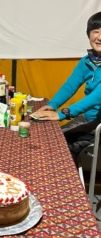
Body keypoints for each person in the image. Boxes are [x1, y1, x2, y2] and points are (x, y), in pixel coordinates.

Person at [32, 11, 101, 165]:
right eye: (95, 31)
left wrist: (64, 113)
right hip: (88, 119)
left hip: (99, 126)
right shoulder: (87, 61)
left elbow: (97, 96)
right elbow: (70, 86)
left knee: (58, 148)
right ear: (89, 34)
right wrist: (52, 105)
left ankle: (67, 184)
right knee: (49, 138)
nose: (100, 37)